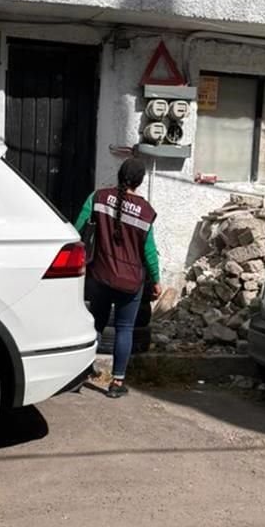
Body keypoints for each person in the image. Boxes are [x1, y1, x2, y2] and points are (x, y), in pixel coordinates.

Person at [74, 158, 161, 398]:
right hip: (130, 282)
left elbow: (78, 227)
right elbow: (149, 252)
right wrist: (156, 280)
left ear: (119, 175)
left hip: (100, 276)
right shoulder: (145, 211)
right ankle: (116, 383)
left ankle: (80, 373)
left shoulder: (98, 197)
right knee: (124, 328)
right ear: (140, 181)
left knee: (96, 324)